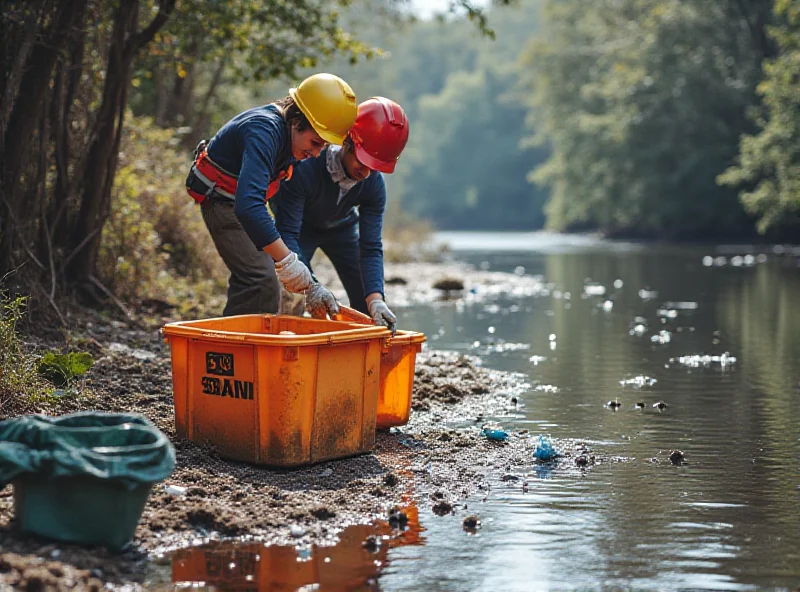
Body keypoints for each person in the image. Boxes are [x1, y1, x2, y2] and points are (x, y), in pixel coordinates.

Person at [185, 73, 358, 318]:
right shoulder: (263, 130)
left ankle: (281, 349)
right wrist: (287, 262)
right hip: (222, 202)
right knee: (260, 281)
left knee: (289, 289)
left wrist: (305, 280)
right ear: (298, 120)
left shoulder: (292, 141)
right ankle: (237, 352)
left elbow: (280, 214)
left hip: (243, 204)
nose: (318, 153)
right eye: (316, 142)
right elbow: (248, 207)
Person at [272, 97, 410, 330]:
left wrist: (376, 299)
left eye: (374, 167)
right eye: (363, 162)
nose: (366, 173)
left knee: (368, 304)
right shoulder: (305, 166)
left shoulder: (373, 184)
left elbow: (371, 247)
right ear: (348, 142)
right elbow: (287, 233)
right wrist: (311, 286)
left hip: (342, 229)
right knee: (291, 295)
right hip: (299, 230)